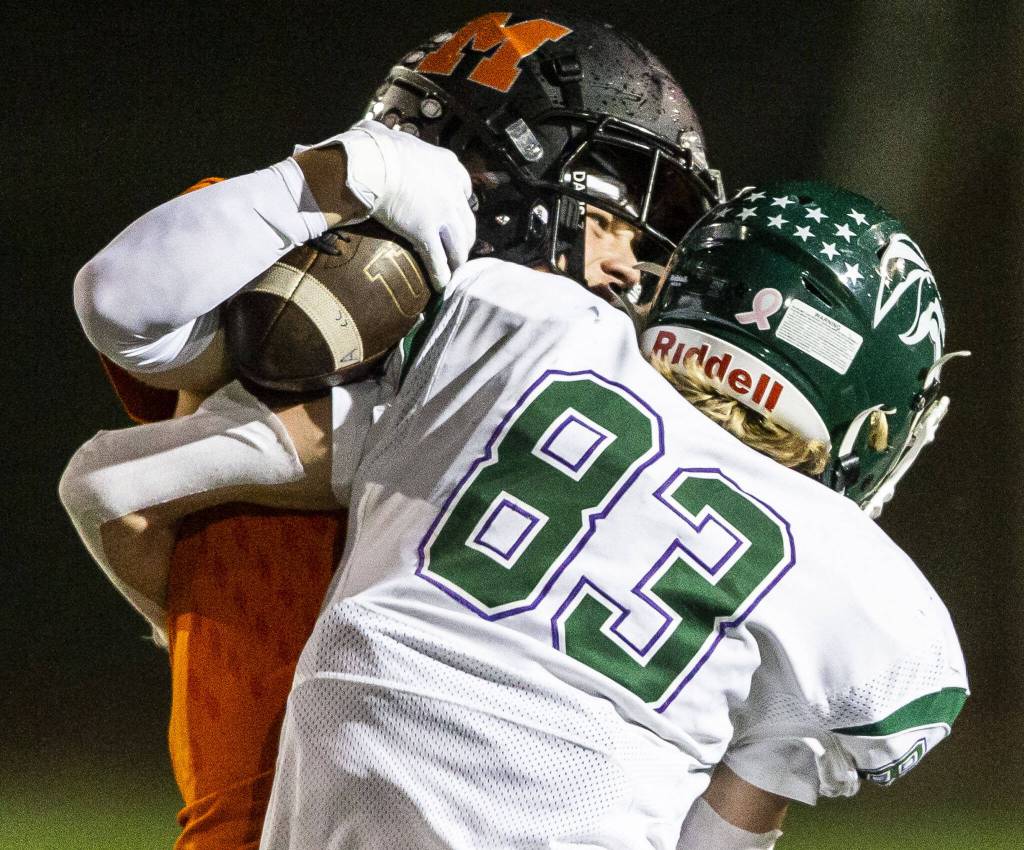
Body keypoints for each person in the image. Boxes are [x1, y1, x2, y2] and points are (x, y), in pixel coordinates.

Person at [62, 177, 969, 849]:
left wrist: (344, 165)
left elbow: (118, 446)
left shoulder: (517, 321)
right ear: (873, 406)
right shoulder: (859, 582)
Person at [67, 12, 721, 848]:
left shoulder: (542, 377)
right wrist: (347, 175)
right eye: (612, 219)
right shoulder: (288, 255)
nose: (632, 264)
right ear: (509, 160)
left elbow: (107, 489)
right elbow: (121, 303)